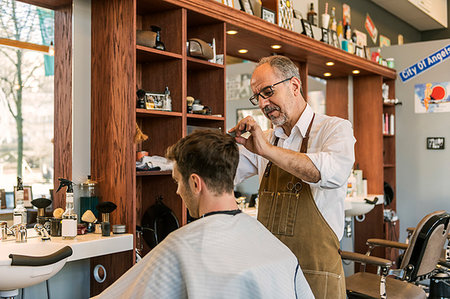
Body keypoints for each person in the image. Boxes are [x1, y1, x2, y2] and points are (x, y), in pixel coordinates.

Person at [93, 130, 313, 299]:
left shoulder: (180, 246)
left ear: (196, 183)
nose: (178, 191)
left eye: (178, 181)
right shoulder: (273, 245)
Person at [230, 55, 355, 299]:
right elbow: (225, 174)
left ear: (294, 86)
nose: (264, 103)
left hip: (317, 275)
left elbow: (328, 173)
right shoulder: (264, 139)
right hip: (272, 274)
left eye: (268, 92)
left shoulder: (335, 129)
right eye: (258, 97)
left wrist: (267, 151)